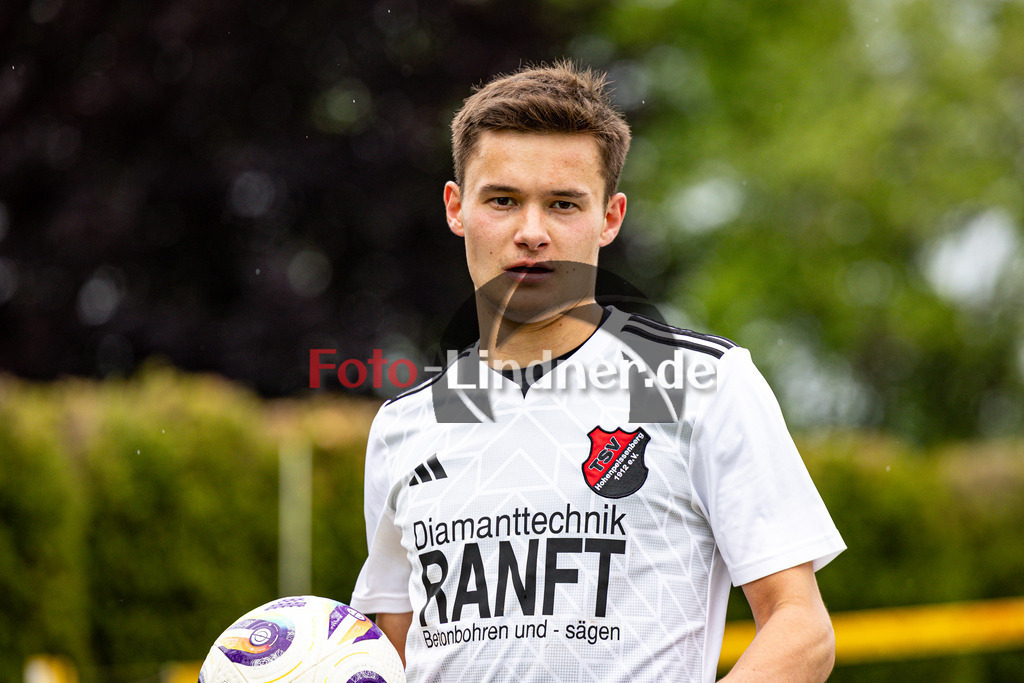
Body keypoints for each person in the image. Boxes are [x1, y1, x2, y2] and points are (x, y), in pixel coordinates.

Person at [350, 61, 845, 682]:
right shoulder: (403, 425)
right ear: (456, 207)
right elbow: (387, 656)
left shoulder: (702, 384)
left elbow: (801, 628)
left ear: (610, 217)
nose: (532, 233)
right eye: (502, 200)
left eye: (563, 205)